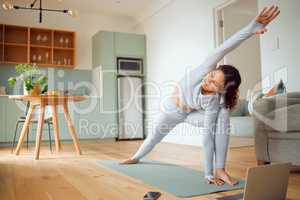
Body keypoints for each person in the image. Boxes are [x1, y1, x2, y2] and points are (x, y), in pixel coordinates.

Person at [120, 6, 280, 186]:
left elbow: (207, 137)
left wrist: (208, 173)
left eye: (214, 84)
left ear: (221, 90)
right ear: (212, 70)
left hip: (191, 115)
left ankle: (220, 169)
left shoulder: (214, 101)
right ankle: (135, 157)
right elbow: (226, 46)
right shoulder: (204, 69)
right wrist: (252, 28)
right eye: (211, 76)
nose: (207, 82)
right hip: (173, 110)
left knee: (223, 114)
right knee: (153, 138)